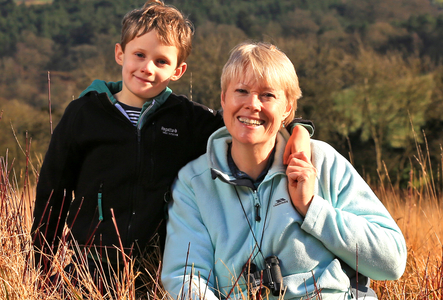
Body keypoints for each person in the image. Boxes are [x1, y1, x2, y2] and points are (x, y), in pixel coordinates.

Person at [31, 0, 313, 290]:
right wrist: (40, 266)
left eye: (161, 61)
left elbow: (246, 120)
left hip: (156, 276)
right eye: (139, 55)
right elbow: (54, 192)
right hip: (86, 271)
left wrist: (299, 129)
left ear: (178, 70)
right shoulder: (83, 114)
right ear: (120, 53)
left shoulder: (188, 120)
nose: (147, 68)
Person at [161, 42, 407, 300]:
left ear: (288, 108)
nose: (252, 104)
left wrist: (312, 208)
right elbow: (187, 276)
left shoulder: (321, 162)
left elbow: (392, 262)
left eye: (267, 95)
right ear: (223, 99)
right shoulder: (193, 183)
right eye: (241, 91)